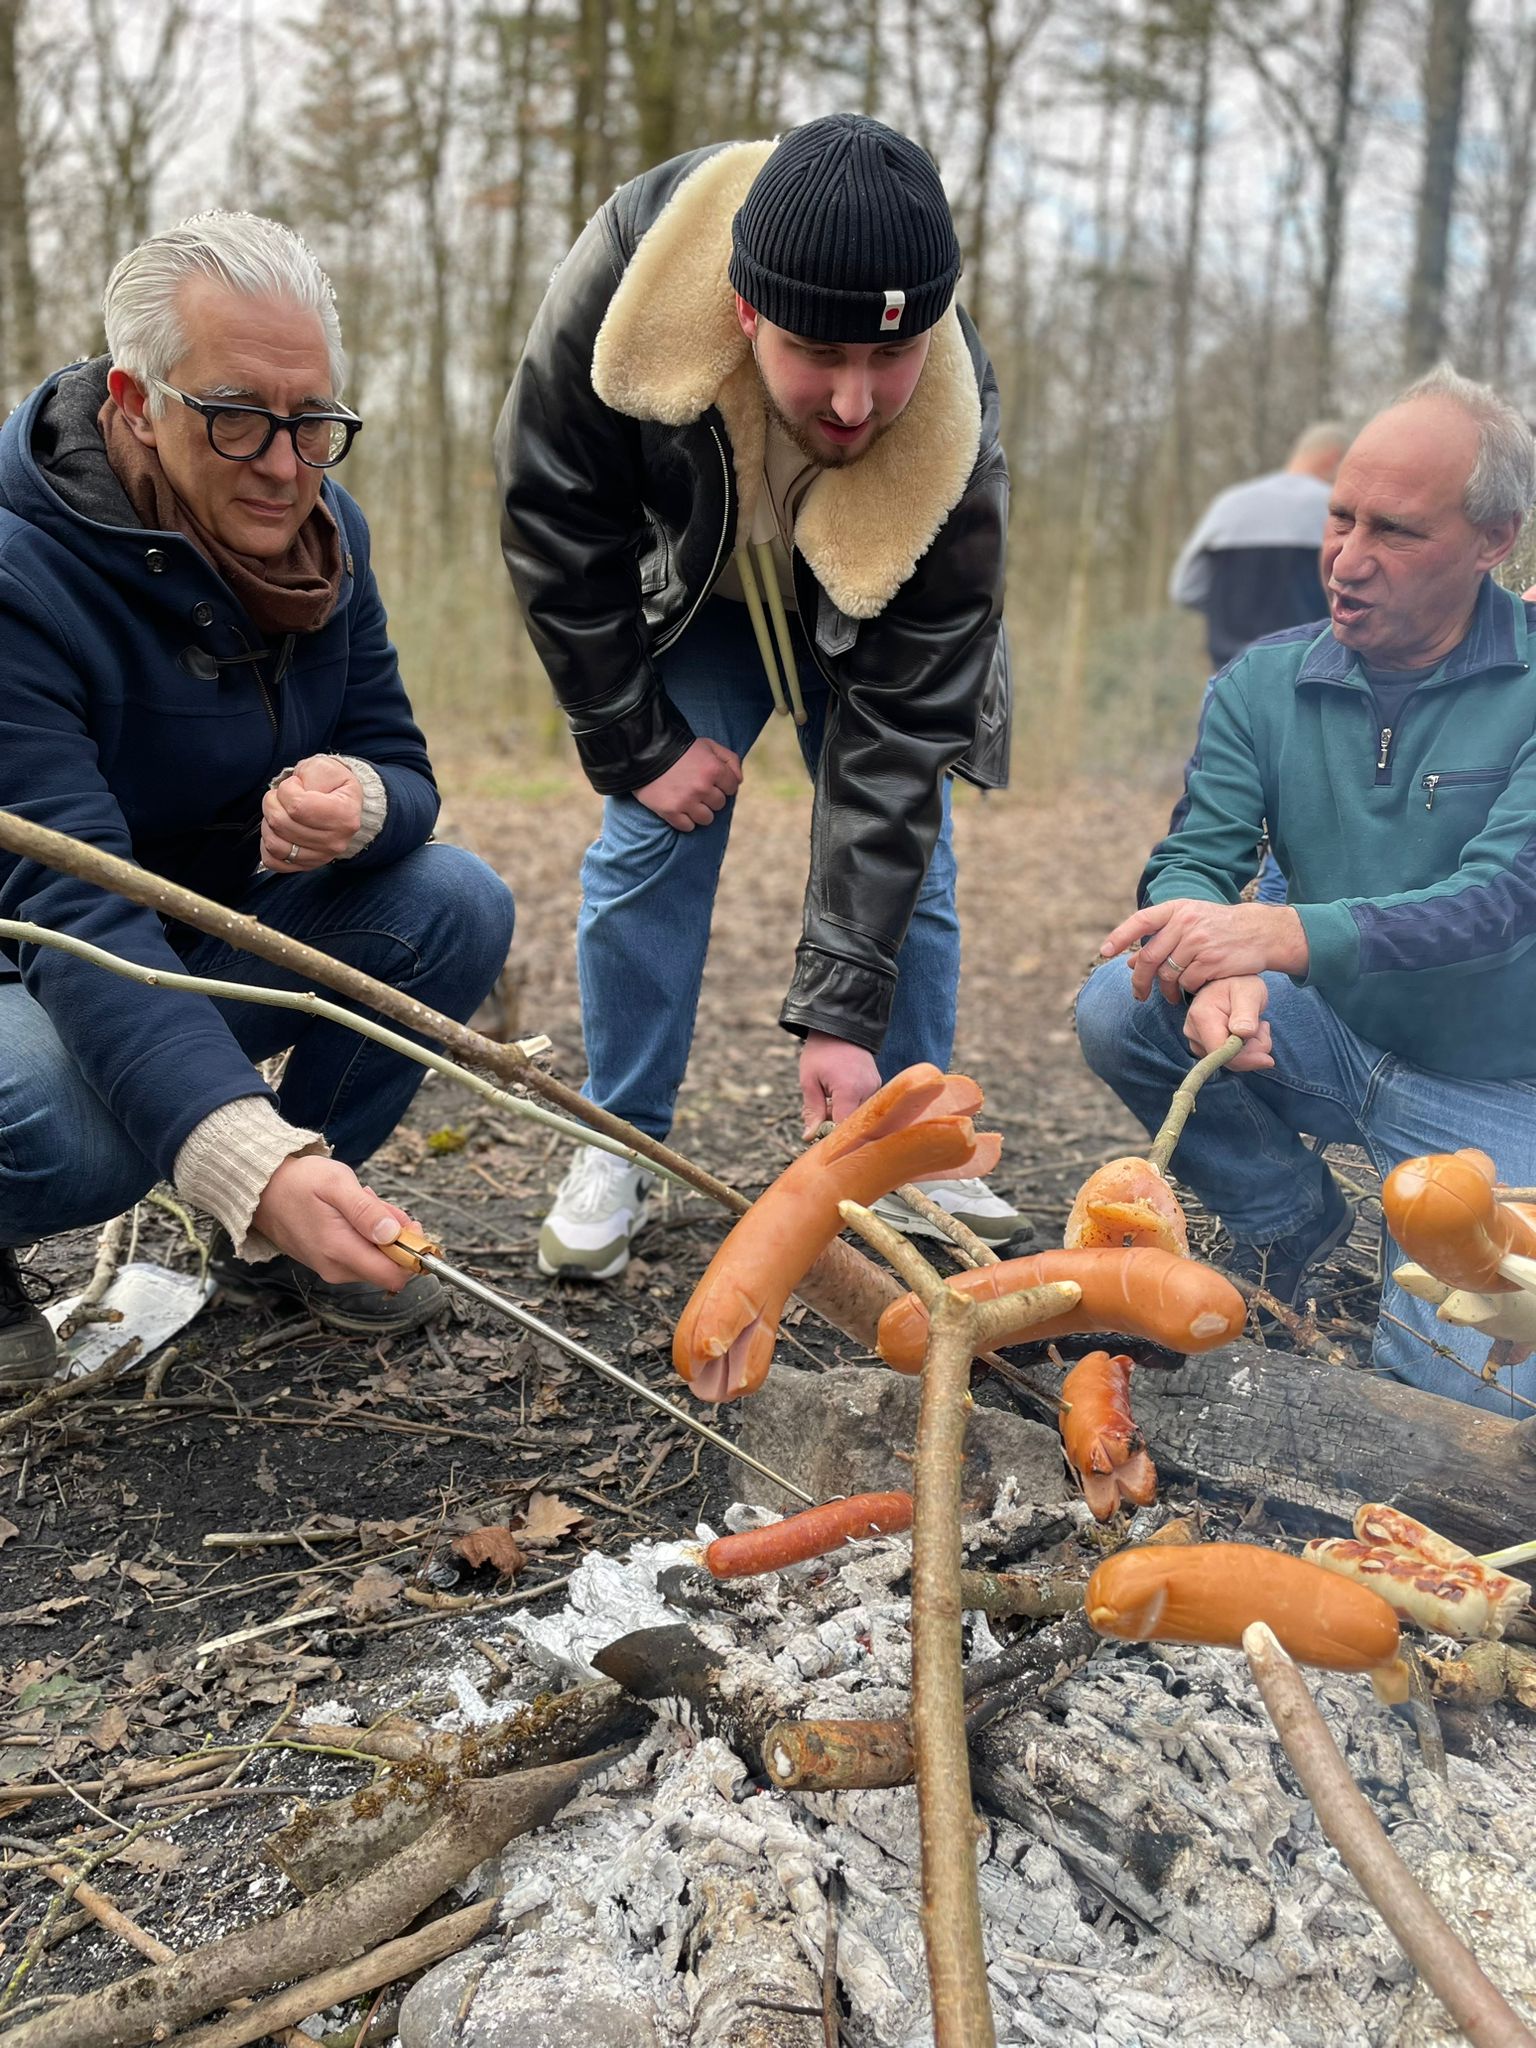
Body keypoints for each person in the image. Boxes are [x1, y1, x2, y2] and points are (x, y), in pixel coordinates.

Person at [0, 212, 516, 1388]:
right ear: (136, 402)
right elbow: (72, 903)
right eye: (236, 417)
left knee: (452, 901)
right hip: (36, 962)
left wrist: (364, 802)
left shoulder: (329, 537)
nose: (285, 466)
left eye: (313, 420)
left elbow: (402, 762)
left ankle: (285, 1239)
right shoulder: (20, 577)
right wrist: (240, 1151)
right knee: (53, 1125)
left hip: (208, 935)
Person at [497, 114, 1017, 1279]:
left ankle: (909, 1139)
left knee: (914, 858)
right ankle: (620, 1135)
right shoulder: (628, 280)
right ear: (743, 311)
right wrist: (633, 737)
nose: (855, 400)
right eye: (818, 353)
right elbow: (553, 511)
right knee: (651, 835)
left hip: (871, 602)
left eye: (890, 355)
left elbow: (902, 740)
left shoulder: (953, 427)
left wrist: (840, 1009)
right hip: (699, 592)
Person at [1075, 364, 1536, 1416]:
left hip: (1499, 1085)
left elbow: (1504, 896)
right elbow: (1195, 857)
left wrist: (1281, 935)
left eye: (1396, 532)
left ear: (1493, 539)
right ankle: (1288, 1221)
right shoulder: (1262, 682)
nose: (1346, 559)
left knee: (1483, 1401)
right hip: (1329, 1030)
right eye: (1340, 517)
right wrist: (1211, 966)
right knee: (1123, 999)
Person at [1169, 421, 1349, 671]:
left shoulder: (1229, 504)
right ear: (1335, 459)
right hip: (1309, 674)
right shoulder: (1336, 510)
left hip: (1228, 673)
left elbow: (1186, 590)